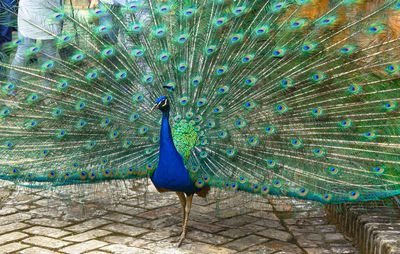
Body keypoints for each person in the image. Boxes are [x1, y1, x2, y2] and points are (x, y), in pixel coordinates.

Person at [7, 0, 98, 95]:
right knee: (24, 52)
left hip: (51, 11)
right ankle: (11, 90)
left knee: (48, 55)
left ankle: (46, 91)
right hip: (31, 10)